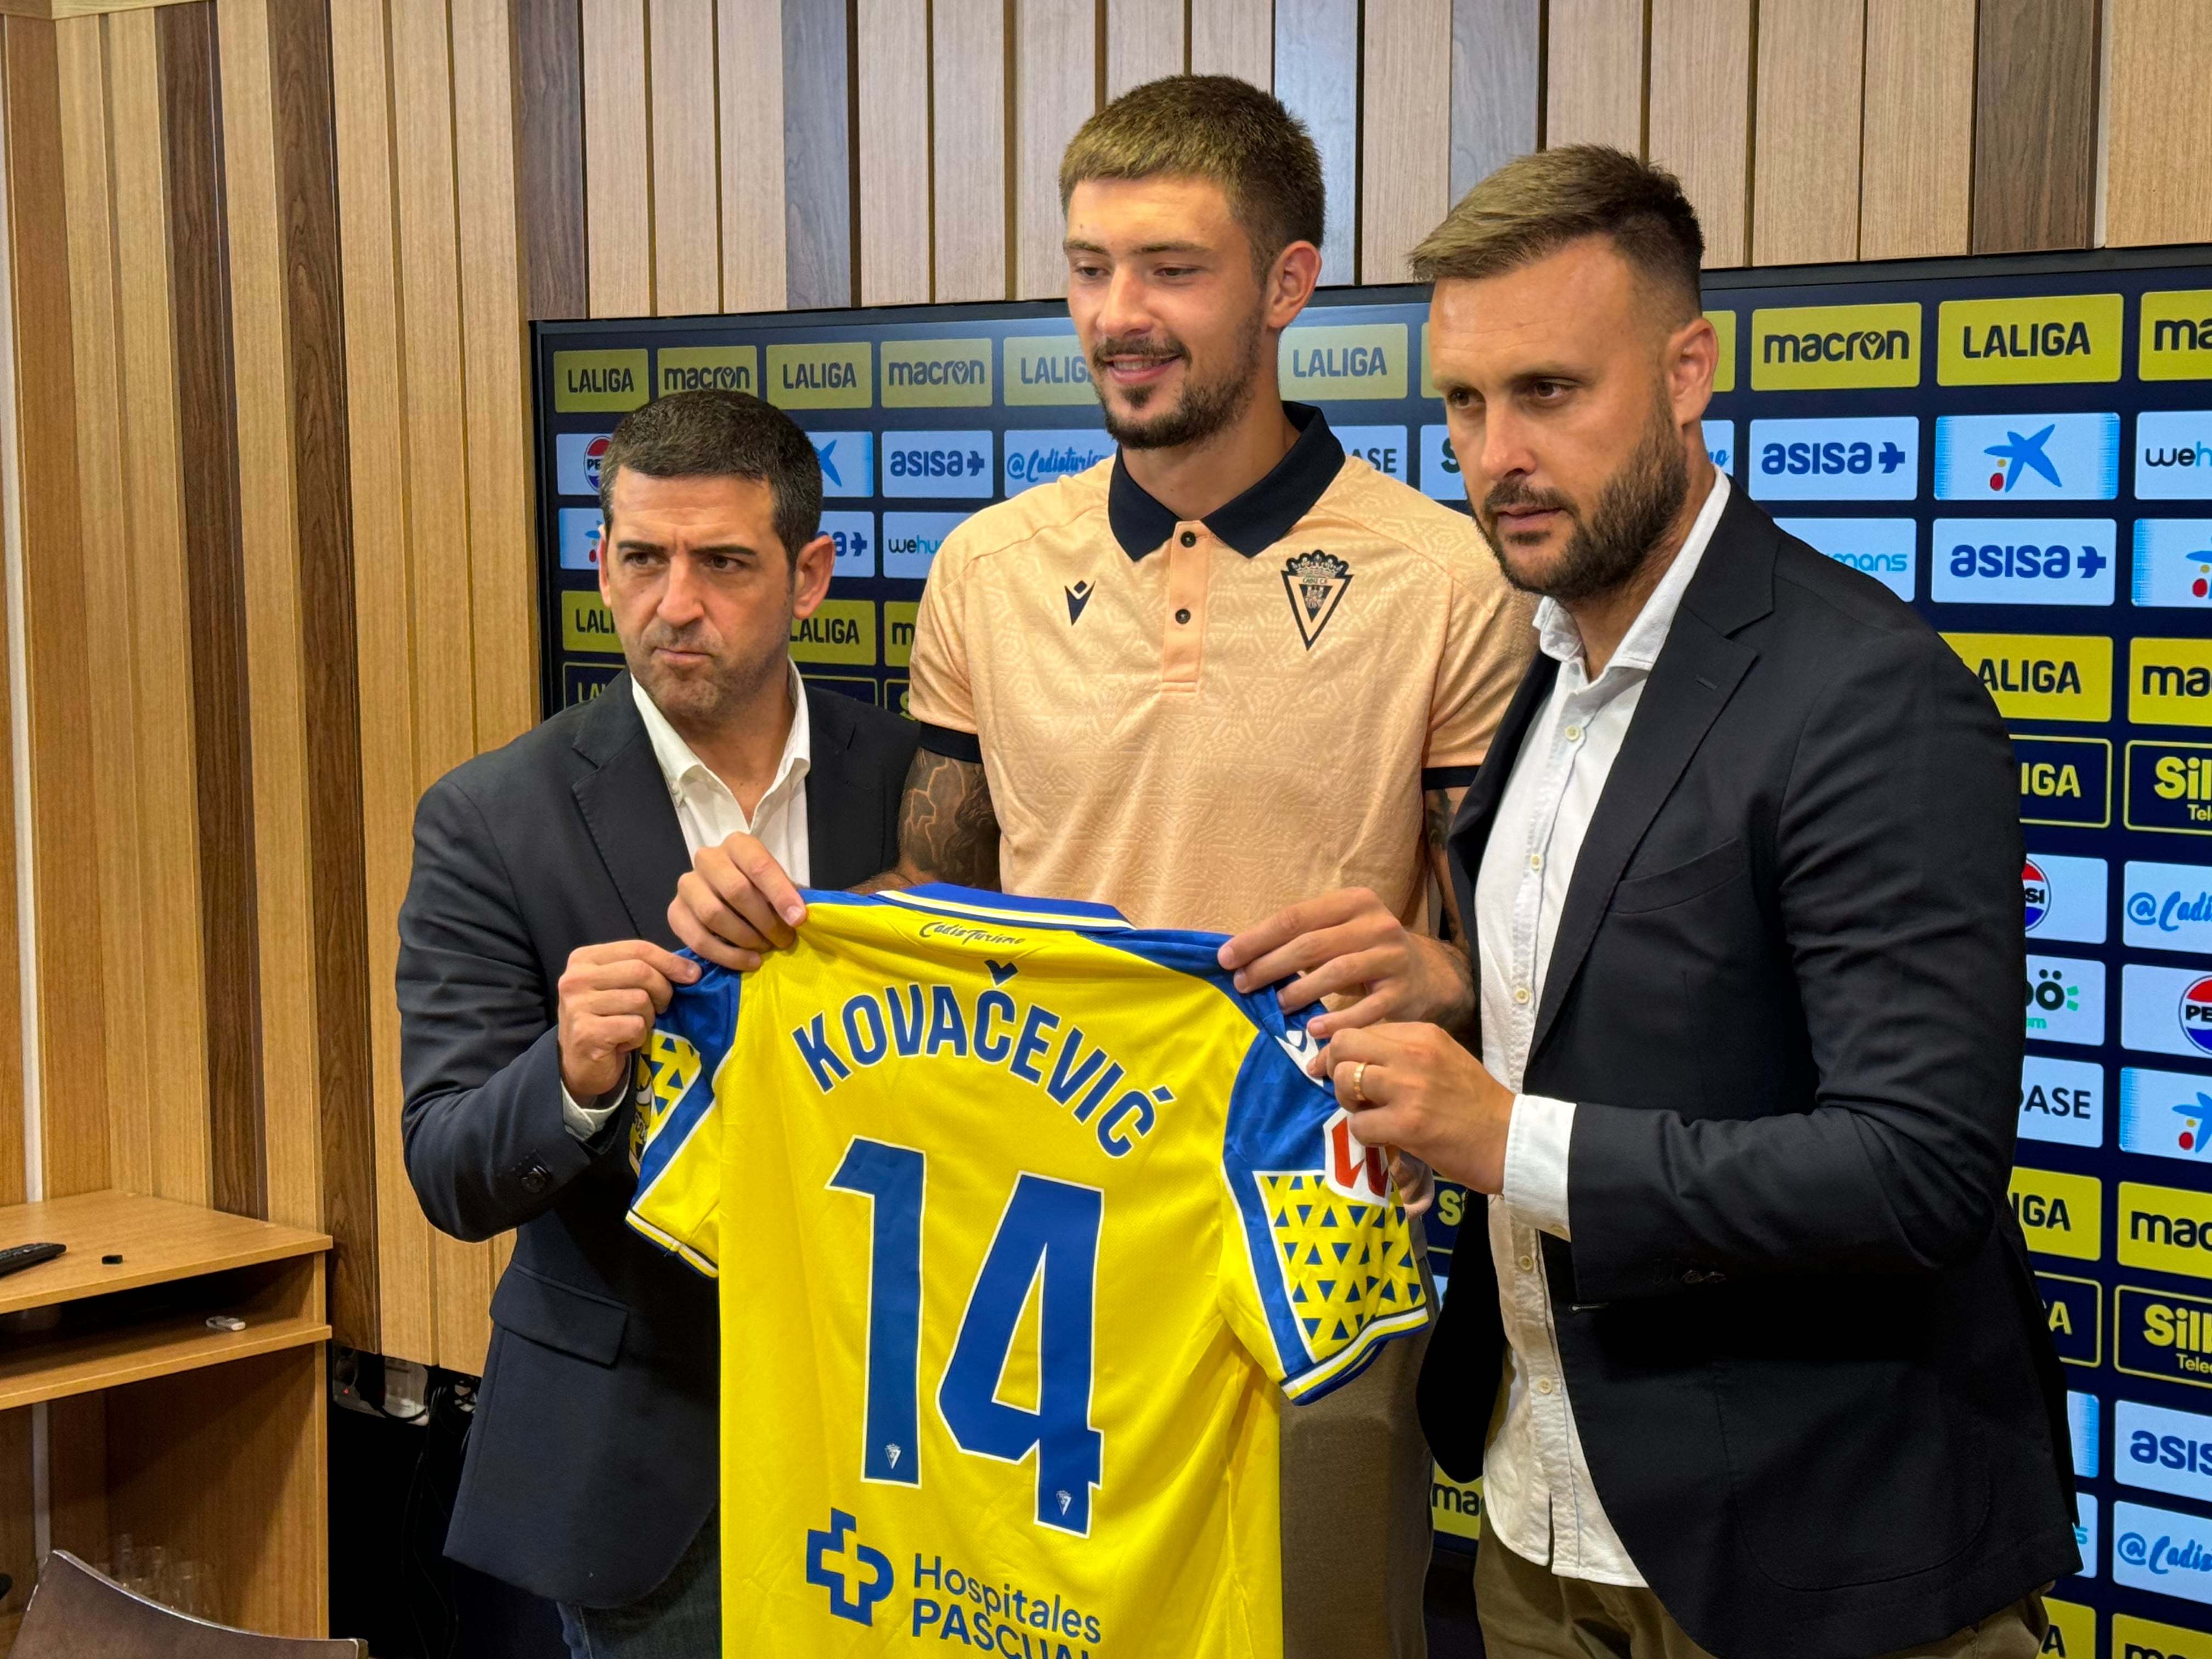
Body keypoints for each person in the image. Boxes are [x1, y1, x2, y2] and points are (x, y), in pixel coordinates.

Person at [665, 75, 1531, 1659]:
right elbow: (937, 908)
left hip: (1304, 1249)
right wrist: (767, 932)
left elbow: (1514, 963)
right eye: (1089, 267)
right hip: (1034, 1236)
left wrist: (1451, 978)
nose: (1119, 315)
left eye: (1172, 270)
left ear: (1286, 283)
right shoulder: (992, 570)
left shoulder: (1448, 577)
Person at [1311, 146, 2078, 1659]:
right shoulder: (1553, 663)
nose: (1496, 454)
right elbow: (1667, 970)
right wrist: (1460, 983)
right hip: (1539, 1517)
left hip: (1817, 1550)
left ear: (1686, 374)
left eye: (1549, 391)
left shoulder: (1869, 694)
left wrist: (1500, 1137)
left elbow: (1918, 1170)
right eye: (1464, 403)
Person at [397, 390, 917, 1657]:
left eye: (724, 564)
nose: (675, 604)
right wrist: (572, 1075)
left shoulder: (920, 784)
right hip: (646, 1473)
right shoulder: (490, 817)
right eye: (642, 558)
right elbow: (450, 1164)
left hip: (900, 1443)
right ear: (604, 559)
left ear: (809, 577)